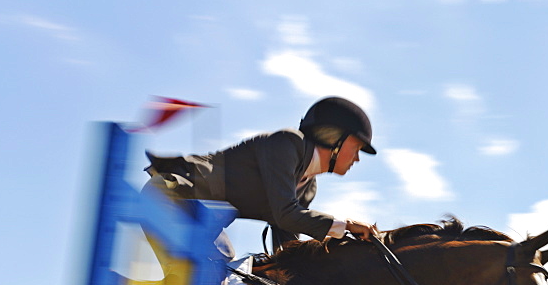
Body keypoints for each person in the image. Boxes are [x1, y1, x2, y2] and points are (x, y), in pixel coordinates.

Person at [143, 96, 379, 253]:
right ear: (333, 137)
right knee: (214, 269)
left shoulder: (308, 187)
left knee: (233, 274)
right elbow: (286, 214)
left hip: (201, 217)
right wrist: (345, 226)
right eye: (356, 148)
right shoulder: (287, 143)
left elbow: (287, 247)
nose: (357, 159)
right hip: (171, 198)